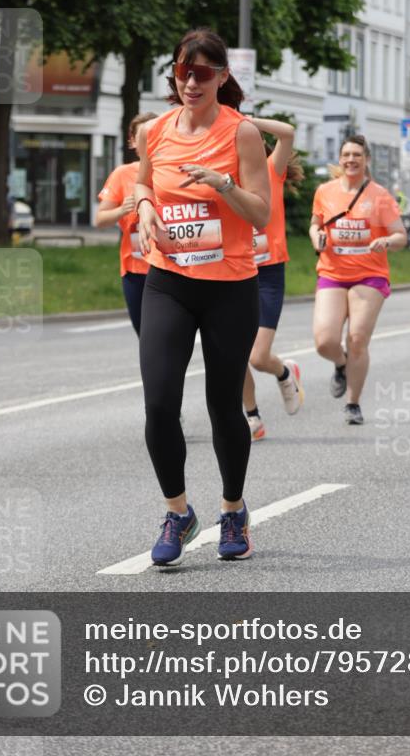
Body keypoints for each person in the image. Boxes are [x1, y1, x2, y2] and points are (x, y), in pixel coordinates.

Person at [135, 29, 270, 566]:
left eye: (204, 73)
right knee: (159, 403)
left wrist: (223, 185)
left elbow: (260, 213)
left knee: (222, 406)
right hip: (167, 280)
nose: (192, 82)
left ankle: (233, 509)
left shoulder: (242, 134)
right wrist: (145, 207)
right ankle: (178, 512)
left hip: (230, 287)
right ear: (173, 72)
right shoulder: (155, 131)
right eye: (183, 71)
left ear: (222, 77)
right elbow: (144, 183)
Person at [309, 134, 407, 426]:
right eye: (346, 155)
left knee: (357, 339)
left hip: (370, 274)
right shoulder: (325, 192)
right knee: (324, 340)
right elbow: (315, 225)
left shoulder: (380, 196)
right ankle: (341, 364)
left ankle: (353, 403)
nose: (351, 160)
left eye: (357, 155)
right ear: (340, 160)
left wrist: (387, 241)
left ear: (366, 160)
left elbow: (401, 236)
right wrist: (318, 238)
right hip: (333, 272)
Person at [242, 117, 305, 441]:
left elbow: (287, 133)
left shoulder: (270, 170)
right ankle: (252, 416)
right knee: (234, 355)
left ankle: (283, 371)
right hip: (235, 270)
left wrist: (242, 120)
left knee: (257, 355)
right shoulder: (226, 179)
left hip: (267, 272)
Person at [95, 112, 158, 335]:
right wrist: (122, 209)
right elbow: (100, 219)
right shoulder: (122, 174)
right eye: (142, 136)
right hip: (135, 268)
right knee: (145, 334)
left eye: (152, 135)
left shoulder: (169, 172)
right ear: (132, 141)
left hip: (168, 267)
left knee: (167, 335)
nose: (148, 142)